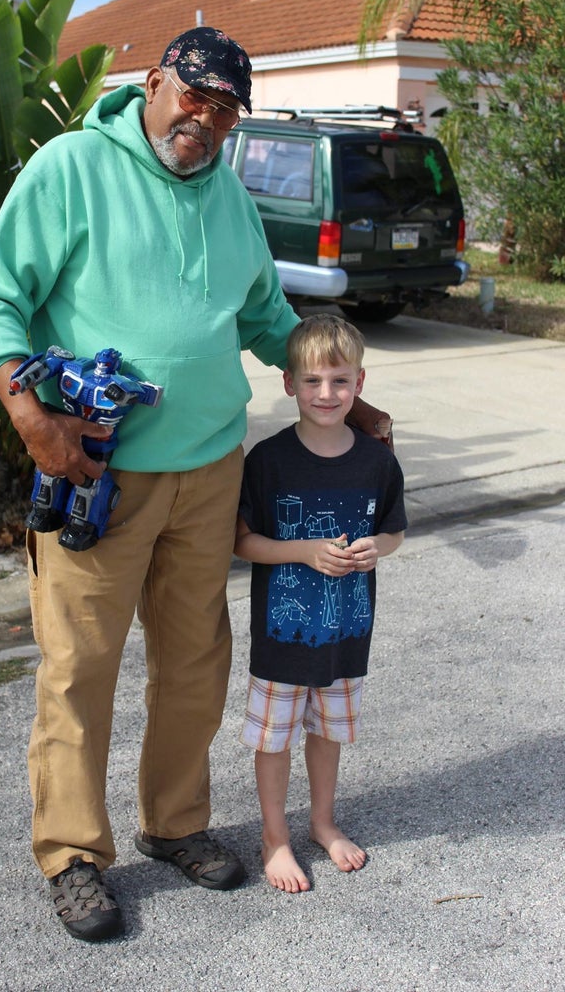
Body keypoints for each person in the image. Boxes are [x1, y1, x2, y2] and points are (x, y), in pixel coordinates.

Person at [0, 27, 389, 942]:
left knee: (195, 661)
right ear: (154, 83)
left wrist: (344, 396)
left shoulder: (228, 194)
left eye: (227, 110)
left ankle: (176, 822)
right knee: (81, 666)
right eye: (196, 96)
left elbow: (267, 316)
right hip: (97, 475)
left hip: (208, 471)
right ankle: (73, 855)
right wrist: (27, 412)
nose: (207, 119)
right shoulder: (72, 167)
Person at [235, 313, 406, 894]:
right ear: (288, 385)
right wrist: (304, 551)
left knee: (328, 731)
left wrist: (374, 550)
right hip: (283, 635)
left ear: (360, 383)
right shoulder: (268, 460)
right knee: (274, 737)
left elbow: (394, 532)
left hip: (345, 632)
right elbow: (243, 541)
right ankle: (275, 836)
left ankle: (323, 821)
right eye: (312, 381)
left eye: (338, 380)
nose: (325, 393)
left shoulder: (377, 459)